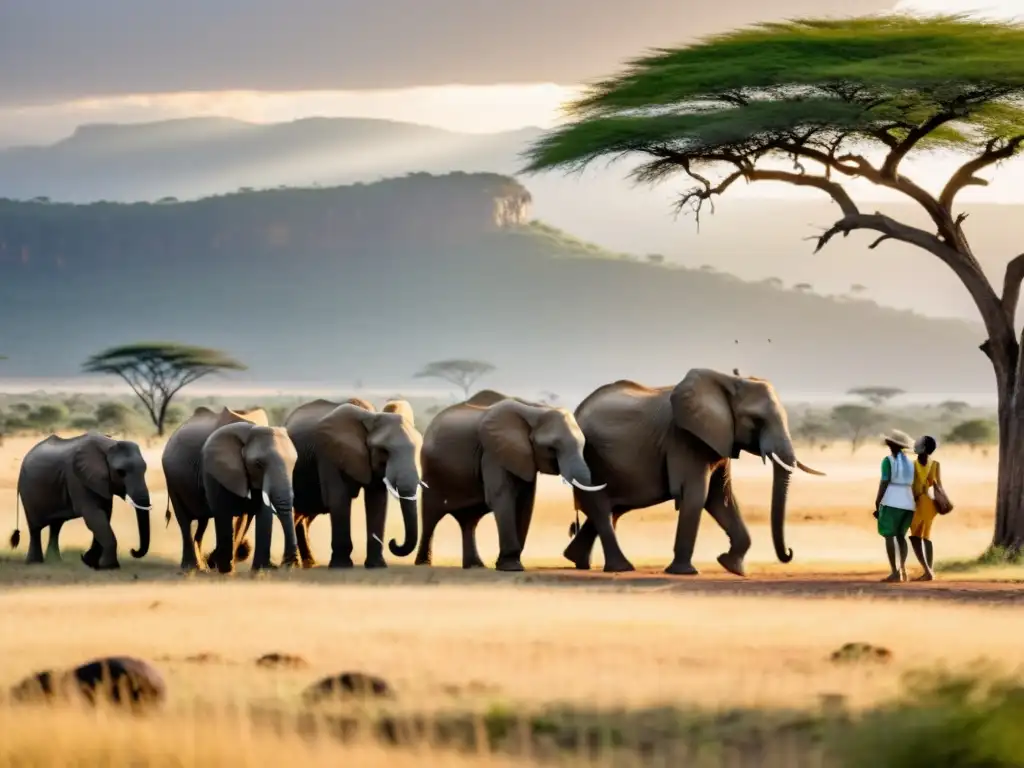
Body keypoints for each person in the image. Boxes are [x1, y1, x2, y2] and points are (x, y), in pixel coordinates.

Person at [873, 429, 916, 583]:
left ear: (890, 445)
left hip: (891, 500)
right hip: (908, 501)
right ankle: (903, 569)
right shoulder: (910, 463)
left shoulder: (888, 461)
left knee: (889, 536)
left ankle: (894, 571)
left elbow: (884, 481)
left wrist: (878, 501)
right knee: (901, 536)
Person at [909, 435, 943, 581]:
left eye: (917, 443)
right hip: (930, 504)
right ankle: (929, 570)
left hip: (917, 503)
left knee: (915, 538)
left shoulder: (912, 465)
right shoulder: (935, 464)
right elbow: (938, 486)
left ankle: (928, 572)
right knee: (926, 538)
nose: (914, 445)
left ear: (923, 448)